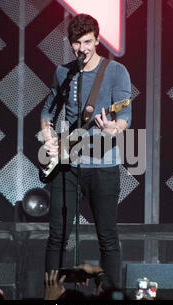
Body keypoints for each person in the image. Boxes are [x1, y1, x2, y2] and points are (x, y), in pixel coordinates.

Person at [40, 13, 132, 288]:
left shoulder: (116, 71)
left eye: (88, 41)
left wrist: (112, 129)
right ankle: (51, 295)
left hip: (103, 166)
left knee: (107, 235)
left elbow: (125, 115)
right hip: (67, 164)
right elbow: (48, 110)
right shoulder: (63, 72)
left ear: (97, 39)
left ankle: (112, 297)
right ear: (71, 44)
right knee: (57, 235)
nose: (83, 48)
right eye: (77, 43)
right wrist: (47, 134)